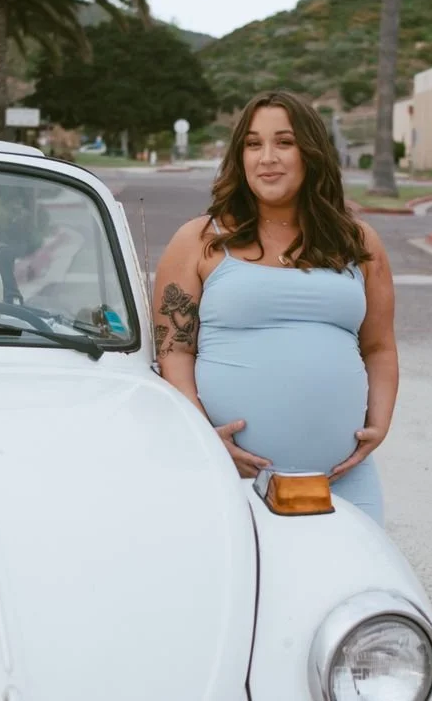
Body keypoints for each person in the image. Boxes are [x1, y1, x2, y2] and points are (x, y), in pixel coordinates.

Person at [152, 90, 398, 526]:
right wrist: (203, 435)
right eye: (253, 144)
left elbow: (378, 347)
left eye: (284, 142)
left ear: (311, 152)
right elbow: (173, 350)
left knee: (360, 591)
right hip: (227, 477)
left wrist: (379, 423)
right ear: (239, 157)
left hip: (343, 480)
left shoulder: (358, 242)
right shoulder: (200, 240)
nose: (267, 157)